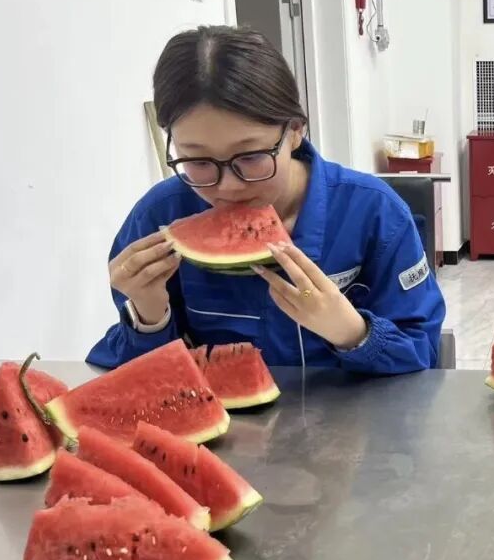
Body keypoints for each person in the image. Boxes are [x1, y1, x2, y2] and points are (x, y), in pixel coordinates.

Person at [87, 26, 446, 372]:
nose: (227, 186)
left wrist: (352, 332)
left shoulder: (376, 213)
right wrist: (148, 315)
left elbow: (422, 352)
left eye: (250, 157)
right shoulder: (158, 217)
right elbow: (138, 378)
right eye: (198, 161)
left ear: (295, 130)